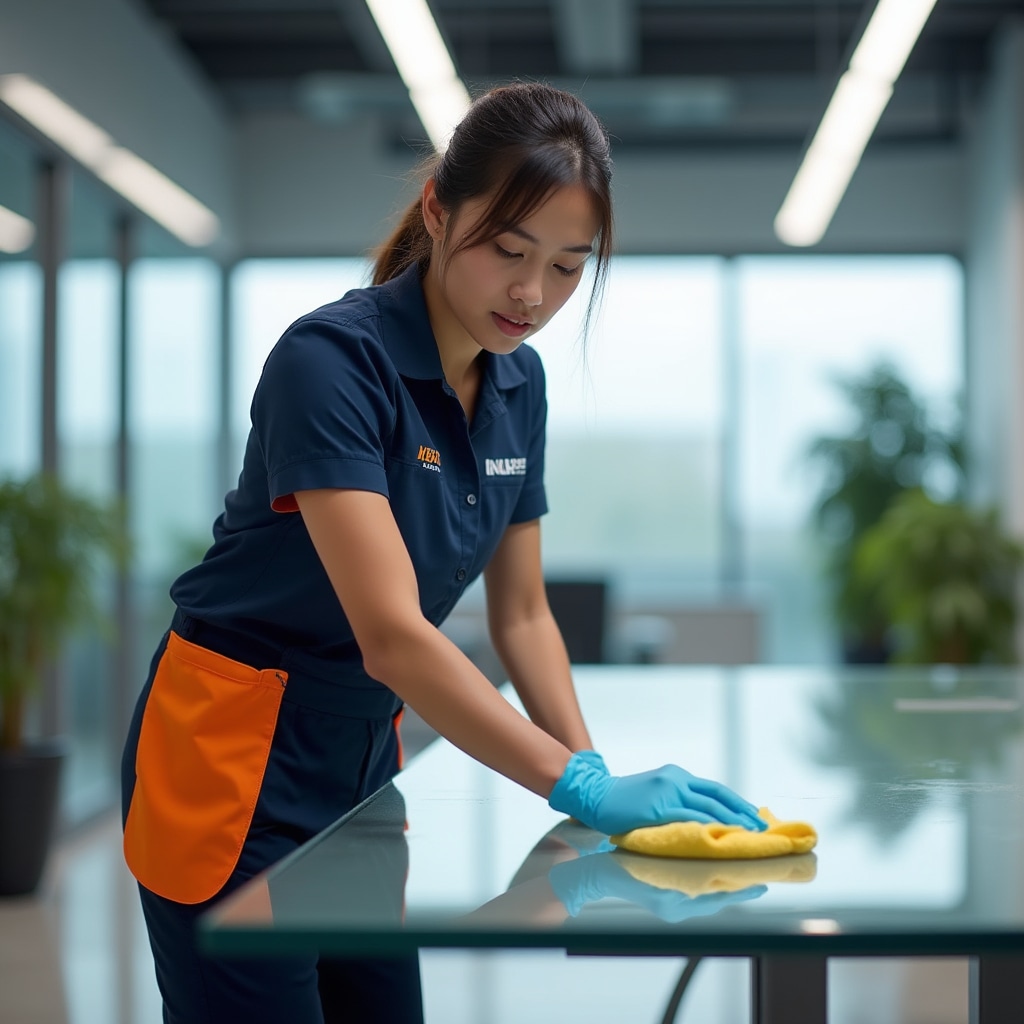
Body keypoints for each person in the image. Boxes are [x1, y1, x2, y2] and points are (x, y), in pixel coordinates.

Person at [120, 80, 765, 1024]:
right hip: (231, 758)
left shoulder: (519, 384)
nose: (531, 294)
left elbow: (524, 614)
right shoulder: (332, 363)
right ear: (437, 208)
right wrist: (577, 782)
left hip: (359, 768)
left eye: (567, 266)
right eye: (510, 250)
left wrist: (591, 780)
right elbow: (393, 635)